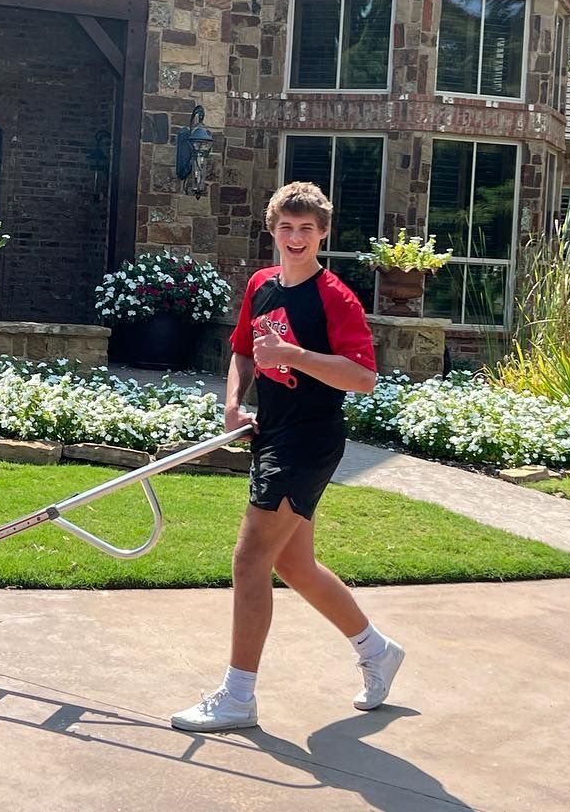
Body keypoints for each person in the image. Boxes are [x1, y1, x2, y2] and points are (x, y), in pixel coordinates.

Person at [170, 181, 403, 732]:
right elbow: (243, 351)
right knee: (294, 565)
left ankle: (238, 698)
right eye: (286, 227)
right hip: (272, 434)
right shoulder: (261, 284)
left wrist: (294, 354)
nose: (295, 238)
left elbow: (363, 378)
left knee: (250, 560)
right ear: (272, 230)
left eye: (306, 229)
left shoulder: (335, 298)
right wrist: (232, 404)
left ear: (322, 234)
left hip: (309, 440)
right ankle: (378, 650)